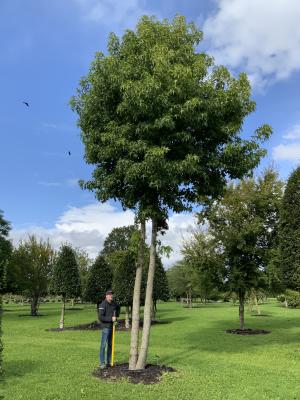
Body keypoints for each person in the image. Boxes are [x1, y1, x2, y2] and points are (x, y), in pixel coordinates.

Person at [98, 289, 120, 369]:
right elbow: (100, 317)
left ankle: (109, 361)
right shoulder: (103, 304)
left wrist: (116, 316)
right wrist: (111, 319)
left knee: (111, 344)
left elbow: (118, 308)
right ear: (106, 296)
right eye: (110, 294)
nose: (111, 296)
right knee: (103, 345)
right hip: (105, 327)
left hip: (112, 327)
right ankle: (102, 363)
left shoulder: (114, 304)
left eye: (112, 294)